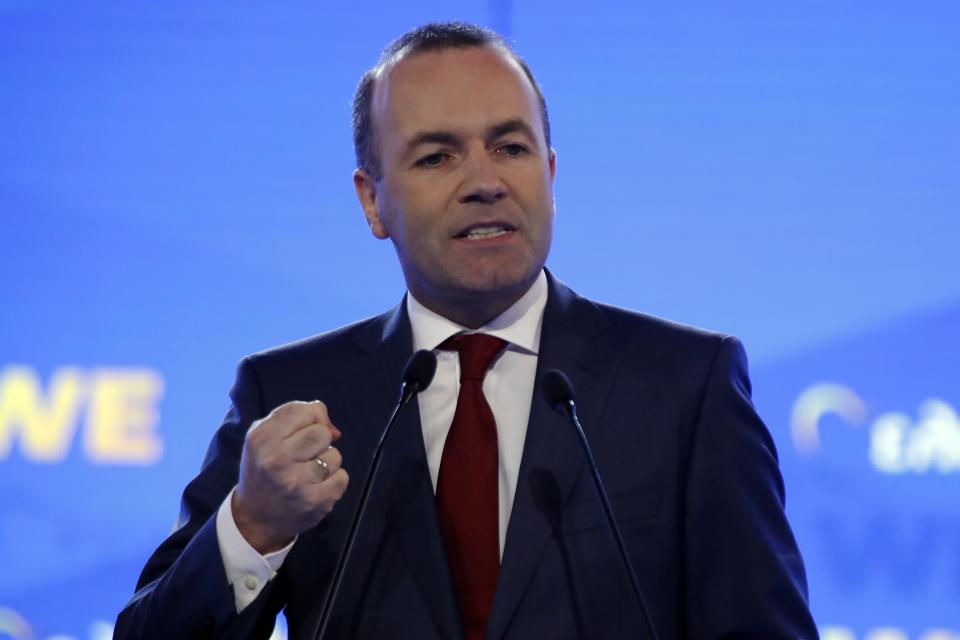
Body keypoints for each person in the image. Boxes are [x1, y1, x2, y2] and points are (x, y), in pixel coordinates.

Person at [116, 22, 818, 639]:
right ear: (372, 201)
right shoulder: (293, 394)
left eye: (510, 147)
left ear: (550, 172)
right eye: (436, 156)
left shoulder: (685, 386)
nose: (485, 181)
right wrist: (255, 527)